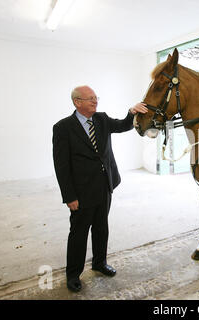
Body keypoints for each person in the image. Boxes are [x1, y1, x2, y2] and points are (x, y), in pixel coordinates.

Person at [52, 85, 148, 292]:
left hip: (104, 185)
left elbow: (123, 125)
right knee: (78, 233)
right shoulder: (63, 128)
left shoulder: (102, 119)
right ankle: (73, 274)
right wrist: (69, 196)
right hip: (81, 192)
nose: (95, 102)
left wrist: (131, 112)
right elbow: (61, 166)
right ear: (77, 102)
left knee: (101, 227)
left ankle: (99, 263)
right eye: (90, 99)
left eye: (96, 98)